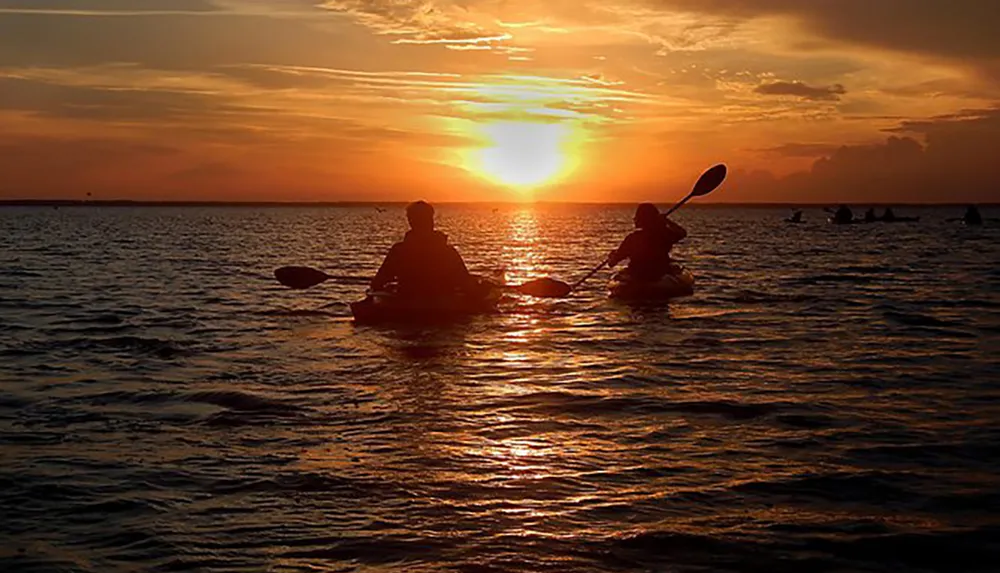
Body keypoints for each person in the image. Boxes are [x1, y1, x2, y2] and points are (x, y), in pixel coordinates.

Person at [371, 201, 479, 297]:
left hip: (407, 300)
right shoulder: (448, 252)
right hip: (441, 303)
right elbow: (465, 283)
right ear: (431, 220)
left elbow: (377, 283)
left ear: (411, 222)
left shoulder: (398, 251)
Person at [607, 203, 687, 282]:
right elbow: (682, 233)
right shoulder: (664, 235)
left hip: (638, 275)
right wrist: (667, 221)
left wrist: (612, 256)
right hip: (659, 274)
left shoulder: (632, 238)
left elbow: (612, 263)